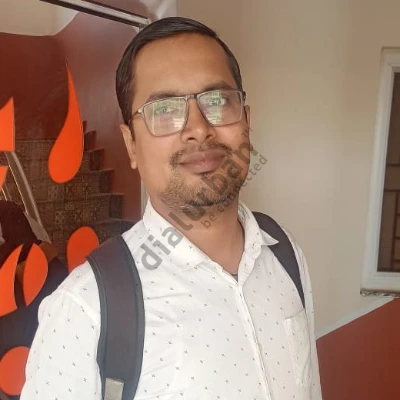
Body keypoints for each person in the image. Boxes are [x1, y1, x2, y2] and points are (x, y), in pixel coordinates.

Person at [20, 17, 322, 400]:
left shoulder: (285, 254)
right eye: (164, 110)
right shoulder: (85, 309)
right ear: (131, 145)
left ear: (246, 121)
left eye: (217, 101)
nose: (198, 128)